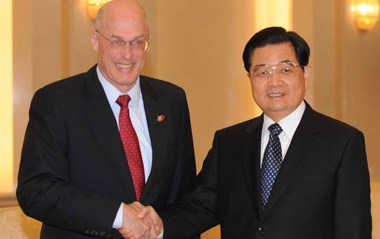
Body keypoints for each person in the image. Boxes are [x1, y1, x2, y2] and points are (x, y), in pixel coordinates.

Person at [156, 26, 372, 238]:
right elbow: (201, 207)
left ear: (305, 73)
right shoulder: (229, 142)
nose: (274, 82)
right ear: (250, 78)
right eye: (262, 72)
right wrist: (153, 226)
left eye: (285, 69)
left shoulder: (342, 142)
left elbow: (353, 230)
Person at [16, 0, 196, 238]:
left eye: (137, 42)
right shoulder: (57, 101)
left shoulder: (172, 100)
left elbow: (184, 196)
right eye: (117, 41)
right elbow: (36, 190)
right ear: (95, 40)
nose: (128, 54)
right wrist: (118, 214)